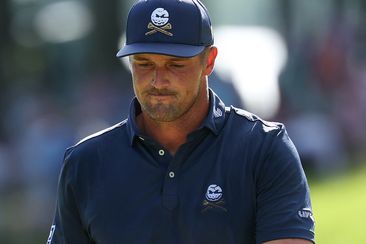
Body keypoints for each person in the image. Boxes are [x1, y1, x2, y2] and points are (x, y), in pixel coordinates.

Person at [47, 0, 315, 243]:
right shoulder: (84, 163)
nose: (157, 81)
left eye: (175, 65)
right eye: (143, 64)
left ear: (208, 62)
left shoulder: (263, 149)